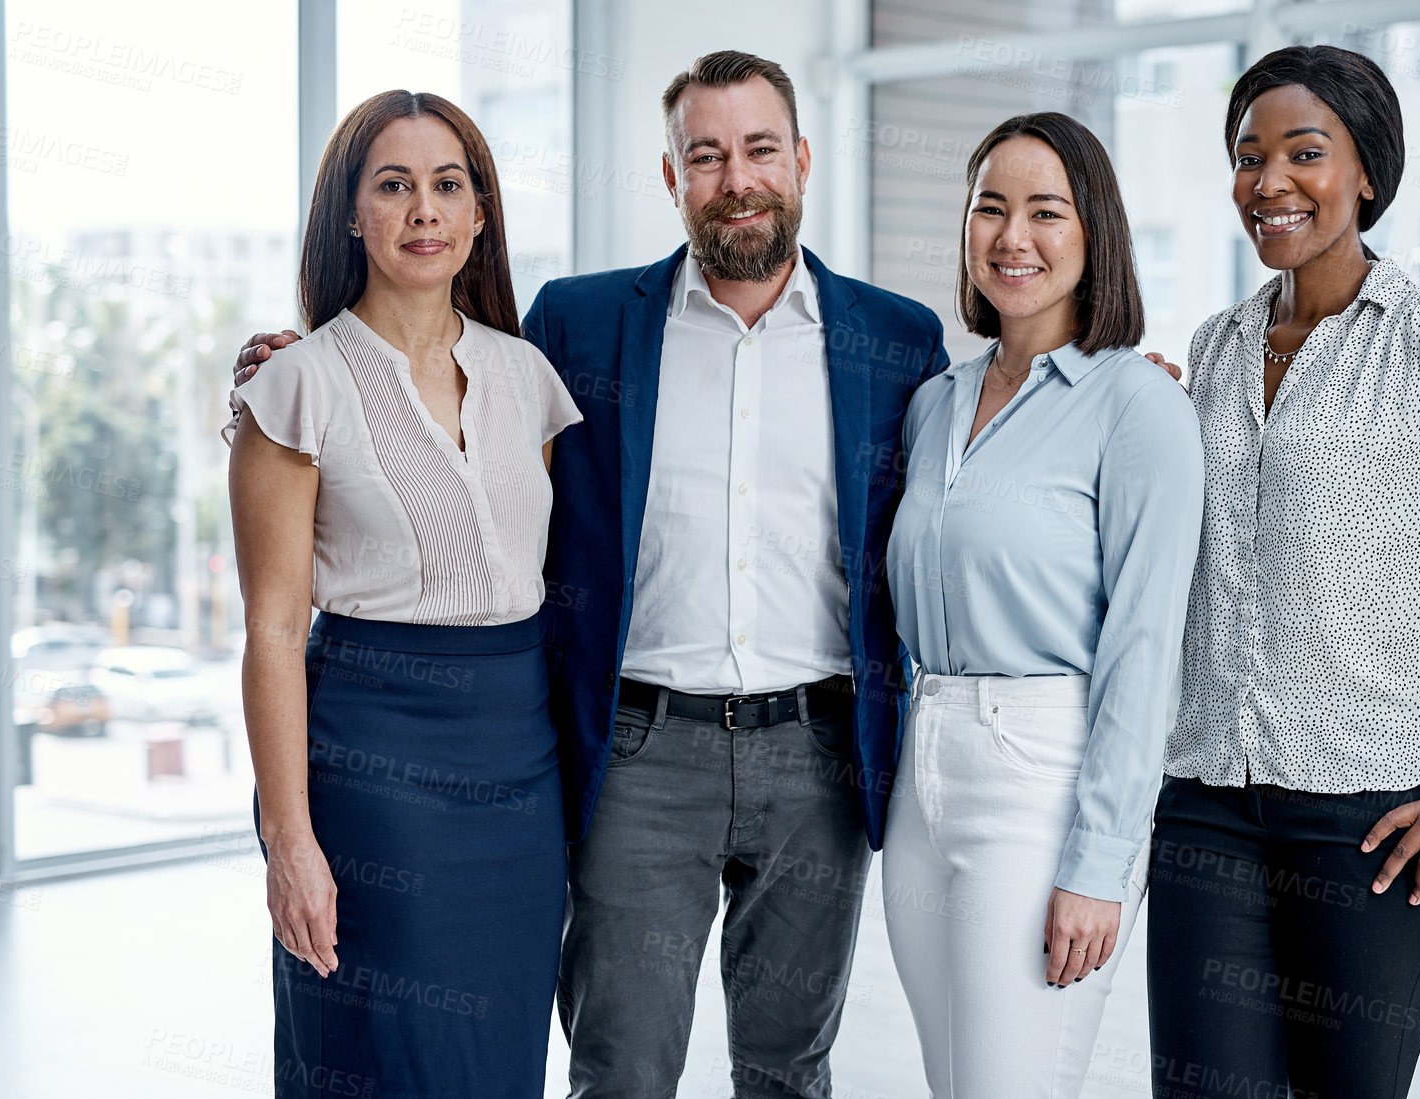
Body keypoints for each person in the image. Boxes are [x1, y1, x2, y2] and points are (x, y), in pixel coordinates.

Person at [237, 52, 947, 1098]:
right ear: (671, 179)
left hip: (819, 755)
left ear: (800, 161)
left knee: (790, 1066)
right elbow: (412, 386)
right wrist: (298, 370)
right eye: (704, 155)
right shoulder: (580, 326)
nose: (735, 177)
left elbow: (968, 459)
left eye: (758, 149)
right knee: (618, 1066)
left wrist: (1109, 376)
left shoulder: (898, 339)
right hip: (641, 751)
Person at [1146, 45, 1420, 1099]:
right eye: (1249, 156)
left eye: (1306, 152)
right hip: (1209, 798)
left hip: (1375, 813)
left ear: (1367, 175)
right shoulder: (1213, 349)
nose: (1271, 182)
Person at [227, 90, 582, 1098]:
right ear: (351, 212)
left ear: (479, 217)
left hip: (519, 773)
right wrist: (289, 841)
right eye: (393, 185)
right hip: (370, 769)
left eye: (446, 184)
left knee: (497, 1060)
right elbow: (271, 629)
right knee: (378, 1059)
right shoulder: (296, 386)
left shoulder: (529, 379)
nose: (423, 209)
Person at [883, 112, 1204, 1097]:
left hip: (1042, 778)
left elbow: (1145, 649)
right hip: (923, 771)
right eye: (990, 208)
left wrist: (1100, 861)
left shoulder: (1138, 405)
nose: (1012, 237)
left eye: (1045, 211)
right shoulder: (937, 399)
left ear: (1094, 233)